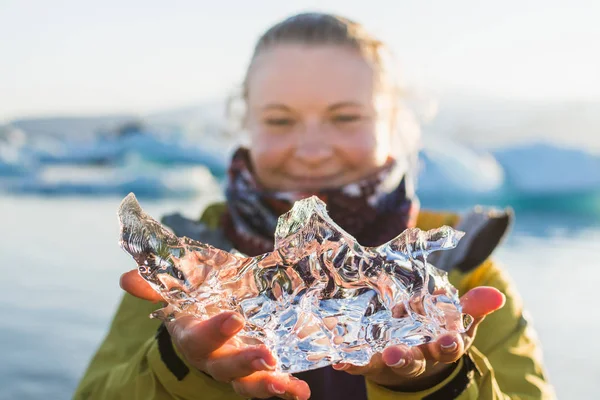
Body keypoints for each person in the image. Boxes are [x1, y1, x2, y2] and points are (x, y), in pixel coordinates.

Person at [74, 12, 554, 400]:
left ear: (394, 123)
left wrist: (437, 386)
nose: (311, 150)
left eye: (344, 117)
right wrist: (183, 369)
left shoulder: (462, 271)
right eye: (280, 120)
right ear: (247, 123)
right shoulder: (185, 271)